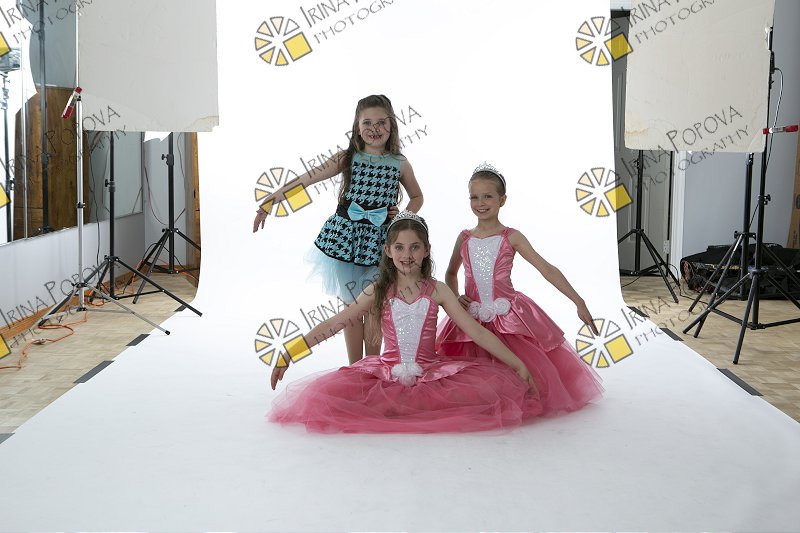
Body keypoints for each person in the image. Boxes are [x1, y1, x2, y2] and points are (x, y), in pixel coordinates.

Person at [268, 212, 544, 434]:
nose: (407, 255)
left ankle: (416, 405)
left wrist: (517, 364)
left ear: (426, 250)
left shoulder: (437, 290)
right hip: (386, 374)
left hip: (431, 376)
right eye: (399, 247)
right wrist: (290, 352)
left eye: (414, 247)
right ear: (388, 251)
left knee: (488, 392)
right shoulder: (378, 290)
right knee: (340, 398)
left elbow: (477, 333)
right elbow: (335, 323)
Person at [253, 95, 423, 364]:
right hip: (346, 241)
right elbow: (309, 178)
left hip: (380, 243)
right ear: (357, 127)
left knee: (375, 305)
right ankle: (355, 368)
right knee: (352, 308)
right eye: (367, 122)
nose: (374, 128)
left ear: (392, 125)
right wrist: (274, 198)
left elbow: (417, 197)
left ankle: (372, 367)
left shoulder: (399, 163)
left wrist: (402, 216)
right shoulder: (348, 157)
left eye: (381, 122)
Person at [436, 163, 603, 414]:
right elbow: (451, 272)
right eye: (474, 197)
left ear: (502, 200)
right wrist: (456, 298)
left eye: (488, 196)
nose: (480, 203)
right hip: (473, 317)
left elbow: (546, 269)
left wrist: (579, 302)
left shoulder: (511, 237)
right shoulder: (464, 237)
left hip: (508, 317)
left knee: (518, 371)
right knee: (470, 375)